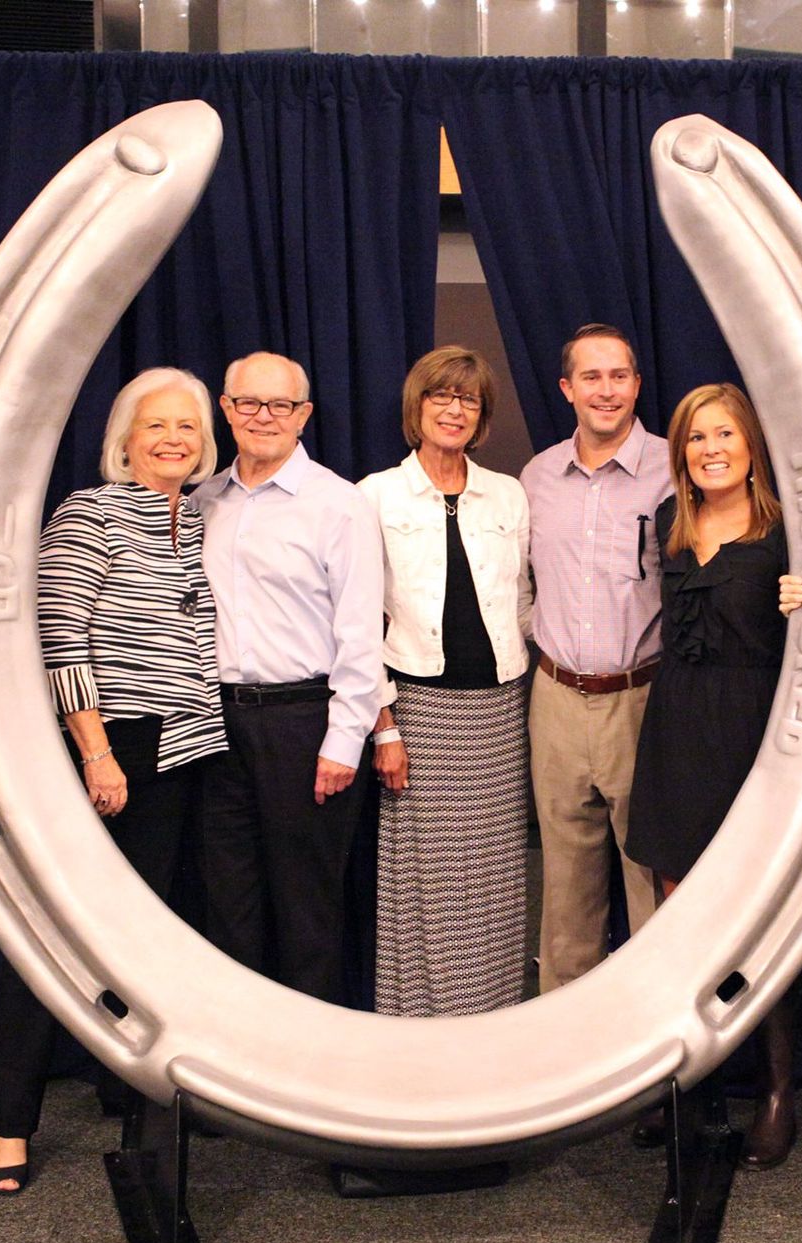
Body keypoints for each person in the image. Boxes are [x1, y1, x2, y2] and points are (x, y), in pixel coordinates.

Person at [0, 367, 228, 1194]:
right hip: (113, 746)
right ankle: (11, 1126)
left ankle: (124, 1087)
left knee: (142, 935)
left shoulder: (197, 519)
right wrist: (95, 751)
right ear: (123, 439)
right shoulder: (86, 514)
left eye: (187, 427)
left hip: (185, 750)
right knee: (55, 931)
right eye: (155, 426)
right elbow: (60, 639)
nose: (172, 440)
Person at [626, 383, 802, 1168]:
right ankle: (693, 1080)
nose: (710, 448)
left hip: (752, 730)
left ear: (750, 444)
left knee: (761, 916)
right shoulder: (672, 522)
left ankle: (775, 1090)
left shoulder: (786, 531)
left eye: (723, 434)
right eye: (696, 437)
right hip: (678, 723)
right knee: (680, 910)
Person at [191, 351, 385, 1003]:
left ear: (304, 415)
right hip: (217, 727)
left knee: (308, 910)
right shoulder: (201, 502)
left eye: (280, 405)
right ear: (225, 409)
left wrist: (343, 742)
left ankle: (312, 1084)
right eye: (248, 402)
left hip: (304, 726)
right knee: (229, 906)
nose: (262, 416)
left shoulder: (339, 504)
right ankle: (237, 1079)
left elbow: (361, 635)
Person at [358, 347, 533, 1015]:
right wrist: (385, 728)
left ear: (482, 416)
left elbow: (520, 603)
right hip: (420, 714)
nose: (455, 409)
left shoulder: (507, 494)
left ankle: (489, 1017)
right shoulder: (374, 495)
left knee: (493, 877)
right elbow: (356, 627)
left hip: (497, 714)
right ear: (418, 406)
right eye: (442, 396)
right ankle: (424, 1023)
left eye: (469, 400)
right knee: (428, 884)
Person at [519, 323, 671, 993]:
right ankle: (564, 1057)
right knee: (566, 893)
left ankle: (653, 1057)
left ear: (636, 384)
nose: (605, 390)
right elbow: (520, 579)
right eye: (591, 377)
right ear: (566, 388)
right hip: (554, 701)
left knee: (653, 890)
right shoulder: (537, 476)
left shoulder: (677, 468)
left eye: (618, 376)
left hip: (644, 700)